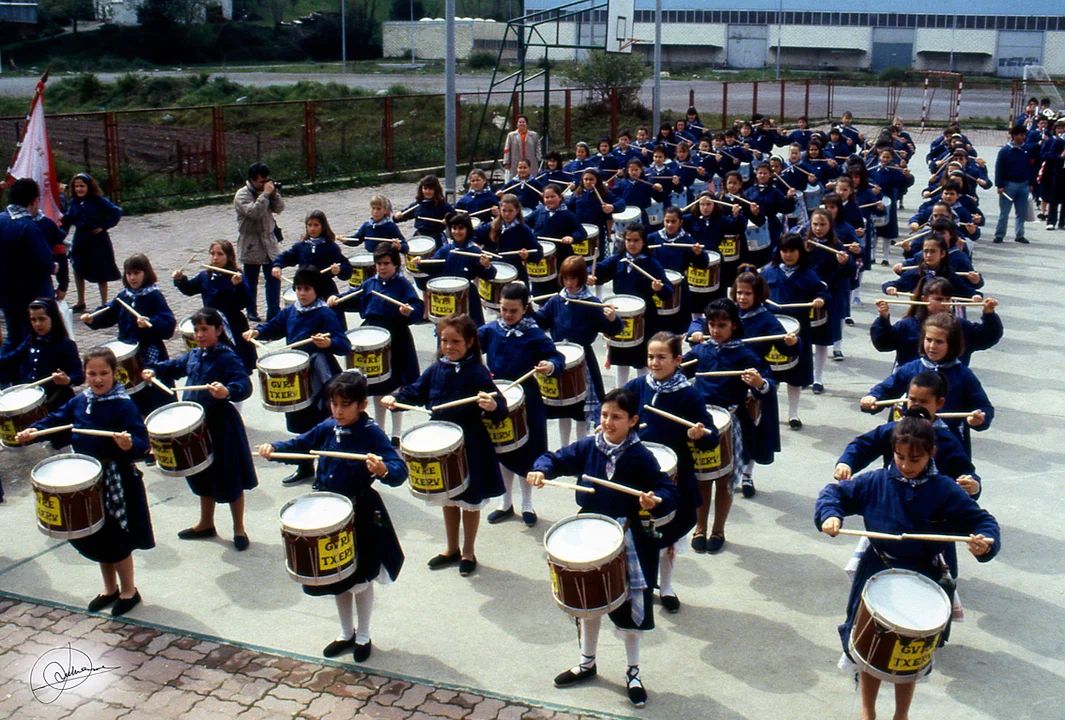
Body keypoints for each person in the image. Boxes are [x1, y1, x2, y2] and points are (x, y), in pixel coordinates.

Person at [815, 410, 1000, 720]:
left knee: (909, 653)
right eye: (900, 457)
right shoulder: (876, 481)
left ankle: (902, 714)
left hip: (923, 573)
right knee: (872, 646)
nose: (905, 465)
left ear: (932, 453)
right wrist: (830, 514)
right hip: (877, 569)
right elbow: (833, 494)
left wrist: (985, 542)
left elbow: (983, 521)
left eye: (915, 459)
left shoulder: (945, 489)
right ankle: (868, 710)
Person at [527, 387, 679, 708]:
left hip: (627, 536)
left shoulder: (641, 456)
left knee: (631, 610)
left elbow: (666, 488)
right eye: (605, 415)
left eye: (616, 417)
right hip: (590, 529)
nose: (608, 422)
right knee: (588, 600)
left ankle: (633, 672)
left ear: (633, 421)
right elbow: (556, 458)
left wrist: (656, 500)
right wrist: (541, 469)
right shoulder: (588, 447)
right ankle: (587, 662)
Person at [257, 371, 406, 663]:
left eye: (345, 405)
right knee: (338, 575)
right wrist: (273, 449)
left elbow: (398, 469)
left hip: (360, 512)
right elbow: (300, 444)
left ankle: (363, 635)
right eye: (334, 404)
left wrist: (383, 469)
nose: (337, 411)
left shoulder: (371, 433)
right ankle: (345, 633)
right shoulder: (327, 427)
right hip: (328, 509)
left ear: (362, 405)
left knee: (361, 578)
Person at [16, 346, 152, 617]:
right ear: (85, 374)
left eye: (104, 373)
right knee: (96, 536)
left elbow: (141, 441)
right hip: (86, 479)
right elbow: (56, 419)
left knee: (117, 539)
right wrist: (35, 430)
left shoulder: (124, 405)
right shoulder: (80, 401)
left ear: (115, 373)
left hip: (115, 480)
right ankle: (109, 589)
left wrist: (129, 444)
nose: (97, 379)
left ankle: (129, 591)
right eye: (91, 374)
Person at [382, 314, 507, 577]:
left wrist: (492, 405)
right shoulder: (436, 369)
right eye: (444, 341)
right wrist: (396, 399)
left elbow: (501, 407)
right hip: (440, 439)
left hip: (470, 443)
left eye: (455, 341)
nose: (449, 347)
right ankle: (451, 548)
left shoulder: (478, 372)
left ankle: (468, 551)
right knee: (448, 497)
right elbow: (416, 391)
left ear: (470, 342)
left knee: (469, 499)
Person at [143, 308, 257, 551]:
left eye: (205, 329)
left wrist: (227, 391)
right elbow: (173, 366)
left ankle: (239, 528)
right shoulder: (194, 355)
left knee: (230, 477)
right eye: (196, 330)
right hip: (196, 426)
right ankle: (206, 523)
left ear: (219, 330)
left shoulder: (228, 357)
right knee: (201, 474)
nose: (200, 335)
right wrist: (155, 370)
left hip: (221, 426)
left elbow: (244, 385)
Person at [627, 332, 718, 606]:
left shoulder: (689, 395)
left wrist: (699, 435)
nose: (654, 363)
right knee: (635, 528)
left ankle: (666, 586)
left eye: (661, 357)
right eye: (650, 357)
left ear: (678, 360)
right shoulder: (637, 386)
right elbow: (612, 408)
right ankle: (637, 583)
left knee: (669, 531)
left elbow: (711, 434)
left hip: (673, 473)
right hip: (638, 467)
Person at [244, 266, 352, 485]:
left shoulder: (325, 313)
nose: (302, 293)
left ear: (316, 290)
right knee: (299, 424)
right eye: (299, 288)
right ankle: (305, 466)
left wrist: (328, 343)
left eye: (307, 289)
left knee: (321, 424)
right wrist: (258, 331)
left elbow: (344, 344)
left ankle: (326, 471)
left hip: (319, 374)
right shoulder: (291, 311)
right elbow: (275, 326)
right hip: (295, 374)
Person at [682, 300, 770, 551]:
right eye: (712, 325)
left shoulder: (744, 354)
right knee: (702, 478)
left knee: (724, 481)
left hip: (730, 422)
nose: (716, 330)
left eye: (722, 325)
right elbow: (679, 371)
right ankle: (700, 528)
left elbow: (767, 383)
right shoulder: (701, 351)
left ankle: (718, 530)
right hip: (702, 423)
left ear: (734, 326)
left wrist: (759, 382)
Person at [479, 282, 563, 527]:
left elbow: (556, 357)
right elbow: (470, 345)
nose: (507, 314)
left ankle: (527, 503)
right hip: (498, 398)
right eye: (503, 309)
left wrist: (550, 366)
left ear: (525, 309)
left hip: (526, 400)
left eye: (513, 311)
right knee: (501, 449)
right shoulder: (491, 330)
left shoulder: (534, 333)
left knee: (526, 453)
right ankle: (505, 502)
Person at [861, 312, 993, 455]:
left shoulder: (963, 375)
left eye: (939, 342)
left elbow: (984, 406)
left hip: (946, 447)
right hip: (909, 442)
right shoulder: (911, 368)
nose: (932, 346)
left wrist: (979, 419)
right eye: (928, 340)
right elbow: (886, 389)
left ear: (952, 344)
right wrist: (873, 398)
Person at [329, 244, 422, 443]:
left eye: (386, 263)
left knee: (395, 386)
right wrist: (337, 299)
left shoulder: (403, 285)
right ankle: (380, 429)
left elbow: (417, 307)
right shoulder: (370, 283)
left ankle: (396, 433)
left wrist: (409, 311)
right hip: (372, 334)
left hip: (395, 336)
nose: (382, 267)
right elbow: (353, 296)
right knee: (377, 385)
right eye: (379, 263)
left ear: (396, 264)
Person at [533, 256, 622, 443]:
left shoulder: (592, 302)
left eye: (573, 278)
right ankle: (564, 445)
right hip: (558, 357)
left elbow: (612, 329)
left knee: (582, 410)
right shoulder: (557, 300)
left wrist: (613, 319)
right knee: (562, 408)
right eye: (565, 278)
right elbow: (541, 320)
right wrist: (528, 310)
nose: (569, 283)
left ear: (581, 278)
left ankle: (582, 444)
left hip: (583, 359)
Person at [80, 253, 177, 420]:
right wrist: (93, 319)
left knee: (155, 398)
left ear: (146, 273)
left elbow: (168, 324)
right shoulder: (123, 296)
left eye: (136, 273)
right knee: (133, 397)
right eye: (129, 273)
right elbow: (109, 313)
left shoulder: (154, 296)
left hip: (149, 354)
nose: (132, 278)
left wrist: (151, 322)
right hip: (129, 355)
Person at [590, 223, 672, 387]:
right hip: (621, 315)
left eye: (636, 240)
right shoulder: (618, 260)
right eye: (628, 240)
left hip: (644, 316)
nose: (632, 244)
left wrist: (659, 288)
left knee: (642, 359)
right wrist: (590, 275)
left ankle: (644, 389)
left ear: (643, 242)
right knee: (621, 359)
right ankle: (620, 390)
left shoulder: (652, 263)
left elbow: (668, 290)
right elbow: (600, 270)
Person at [760, 235, 829, 429]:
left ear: (800, 252)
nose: (788, 255)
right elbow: (756, 293)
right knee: (771, 373)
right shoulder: (768, 272)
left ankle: (793, 414)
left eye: (792, 251)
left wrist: (820, 299)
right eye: (784, 251)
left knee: (795, 375)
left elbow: (822, 291)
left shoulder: (808, 275)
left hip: (798, 331)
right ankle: (769, 413)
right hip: (772, 330)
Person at [871, 276, 1001, 368]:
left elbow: (988, 337)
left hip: (949, 387)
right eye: (939, 299)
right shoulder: (908, 325)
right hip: (913, 386)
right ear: (924, 299)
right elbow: (883, 343)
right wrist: (883, 319)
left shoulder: (960, 326)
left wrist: (989, 314)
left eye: (947, 299)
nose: (944, 304)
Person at [173, 239, 256, 374]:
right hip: (211, 326)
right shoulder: (205, 276)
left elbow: (247, 302)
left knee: (238, 365)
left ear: (229, 256)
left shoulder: (235, 275)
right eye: (212, 254)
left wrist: (238, 286)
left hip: (233, 325)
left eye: (220, 254)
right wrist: (180, 279)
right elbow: (189, 289)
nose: (215, 258)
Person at [0, 178, 56, 356]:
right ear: (34, 200)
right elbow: (45, 262)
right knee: (31, 338)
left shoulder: (1, 219)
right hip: (31, 294)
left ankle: (4, 367)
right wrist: (53, 267)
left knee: (12, 336)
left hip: (6, 292)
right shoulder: (28, 227)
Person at [0, 298, 82, 411]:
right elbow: (11, 359)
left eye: (42, 319)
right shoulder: (30, 341)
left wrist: (68, 380)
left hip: (55, 402)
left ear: (53, 318)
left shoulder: (65, 344)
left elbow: (79, 375)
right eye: (33, 320)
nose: (37, 324)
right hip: (30, 399)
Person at [273, 209, 353, 326]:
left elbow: (346, 268)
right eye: (309, 225)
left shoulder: (331, 247)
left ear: (323, 226)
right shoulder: (301, 246)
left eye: (316, 225)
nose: (312, 228)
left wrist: (339, 270)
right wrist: (277, 265)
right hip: (306, 289)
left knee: (332, 323)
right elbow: (286, 257)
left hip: (325, 291)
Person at [62, 173, 121, 313]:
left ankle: (104, 303)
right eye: (76, 186)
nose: (79, 189)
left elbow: (116, 212)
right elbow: (68, 218)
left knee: (101, 271)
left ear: (89, 186)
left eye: (82, 186)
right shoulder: (74, 202)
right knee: (77, 267)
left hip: (97, 240)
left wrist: (104, 226)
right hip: (80, 240)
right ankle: (81, 301)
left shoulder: (99, 201)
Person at [234, 162, 285, 321]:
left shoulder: (266, 193)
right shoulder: (242, 195)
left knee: (274, 278)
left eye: (266, 181)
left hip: (269, 241)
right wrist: (265, 195)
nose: (265, 184)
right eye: (262, 181)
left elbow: (279, 208)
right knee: (251, 281)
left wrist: (274, 194)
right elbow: (254, 212)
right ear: (252, 180)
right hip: (251, 243)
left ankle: (273, 312)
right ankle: (251, 311)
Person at [993, 125, 1032, 244]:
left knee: (1021, 212)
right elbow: (999, 169)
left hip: (1023, 184)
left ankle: (1020, 234)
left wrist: (1031, 183)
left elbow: (1031, 167)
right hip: (1008, 185)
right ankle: (999, 234)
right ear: (1014, 136)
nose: (1023, 137)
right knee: (1004, 212)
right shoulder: (1005, 151)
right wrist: (999, 185)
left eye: (1024, 135)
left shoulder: (1027, 149)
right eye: (1021, 135)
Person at [394, 175, 454, 247]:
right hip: (419, 237)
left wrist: (448, 220)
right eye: (425, 188)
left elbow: (456, 218)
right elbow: (401, 216)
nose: (427, 191)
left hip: (437, 238)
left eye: (430, 189)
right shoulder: (417, 204)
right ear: (421, 189)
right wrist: (397, 217)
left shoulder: (443, 205)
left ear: (436, 190)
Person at [502, 115, 541, 180]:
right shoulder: (511, 135)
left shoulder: (534, 135)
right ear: (517, 124)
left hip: (531, 161)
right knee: (516, 179)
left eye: (523, 122)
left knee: (532, 179)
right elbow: (507, 149)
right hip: (516, 161)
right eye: (520, 122)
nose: (521, 124)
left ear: (526, 124)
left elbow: (538, 148)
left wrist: (539, 159)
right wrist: (506, 162)